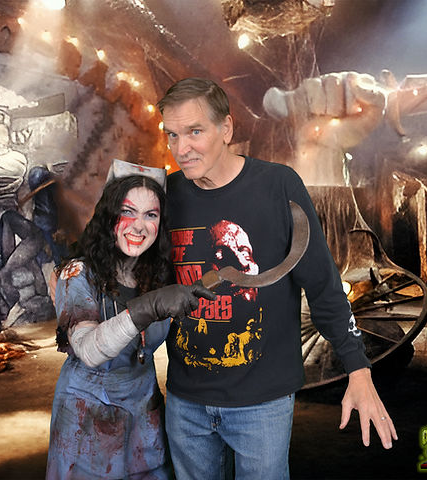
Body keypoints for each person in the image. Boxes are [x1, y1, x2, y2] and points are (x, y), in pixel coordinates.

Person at [157, 77, 398, 479]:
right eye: (172, 135)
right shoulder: (166, 194)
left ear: (226, 128)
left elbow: (322, 285)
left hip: (261, 403)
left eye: (195, 131)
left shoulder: (277, 185)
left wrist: (358, 368)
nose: (181, 148)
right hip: (186, 402)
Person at [46, 171, 215, 479]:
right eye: (127, 212)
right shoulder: (78, 274)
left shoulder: (156, 274)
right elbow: (88, 349)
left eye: (151, 215)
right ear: (109, 216)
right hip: (87, 416)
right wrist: (149, 307)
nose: (139, 225)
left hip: (144, 413)